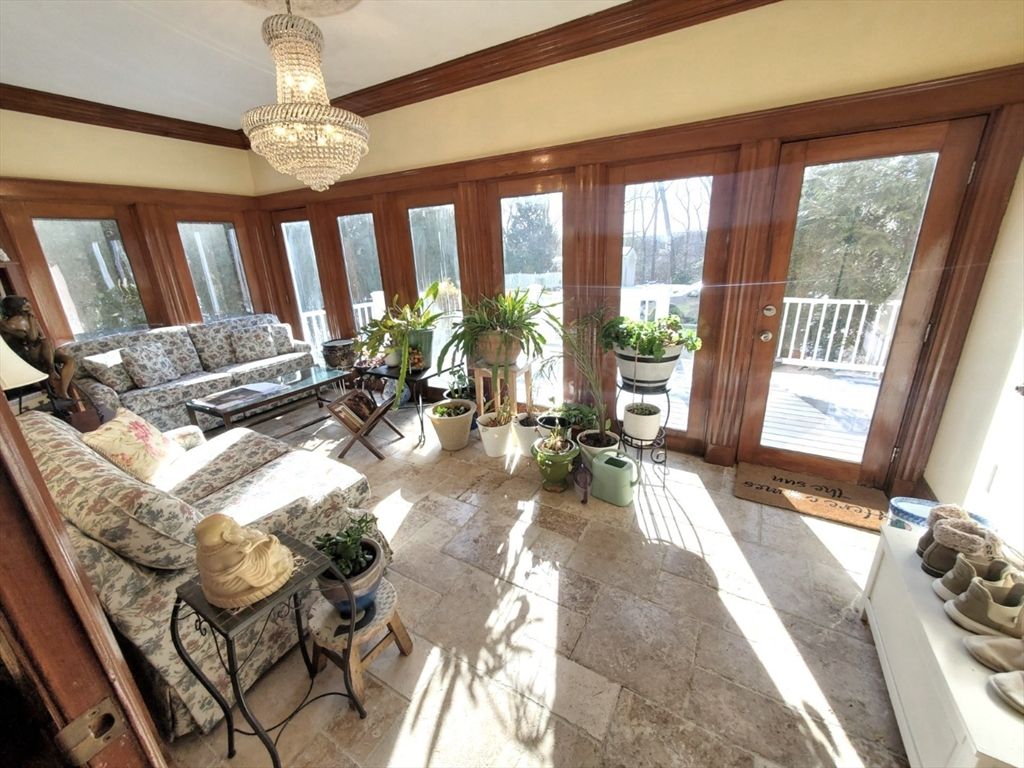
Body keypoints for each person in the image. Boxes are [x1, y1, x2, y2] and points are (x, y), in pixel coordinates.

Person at [0, 295, 75, 399]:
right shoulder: (9, 324)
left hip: (42, 350)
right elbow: (32, 338)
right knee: (45, 342)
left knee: (69, 360)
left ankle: (62, 390)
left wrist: (32, 319)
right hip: (28, 355)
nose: (29, 304)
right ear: (18, 306)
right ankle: (51, 370)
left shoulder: (29, 317)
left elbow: (41, 335)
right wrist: (32, 319)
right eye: (25, 302)